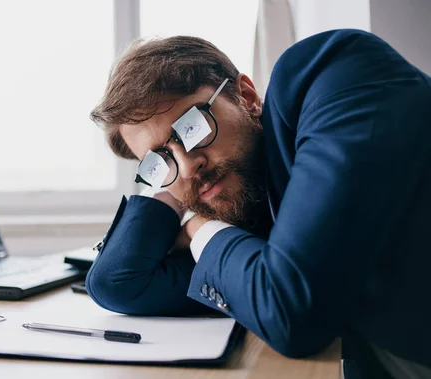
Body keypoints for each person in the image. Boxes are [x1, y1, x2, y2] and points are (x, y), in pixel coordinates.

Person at [86, 29, 431, 378]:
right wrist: (169, 178)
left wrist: (199, 228)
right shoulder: (248, 203)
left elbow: (293, 313)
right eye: (158, 160)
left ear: (246, 96)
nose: (190, 166)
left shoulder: (330, 72)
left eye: (191, 127)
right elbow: (117, 282)